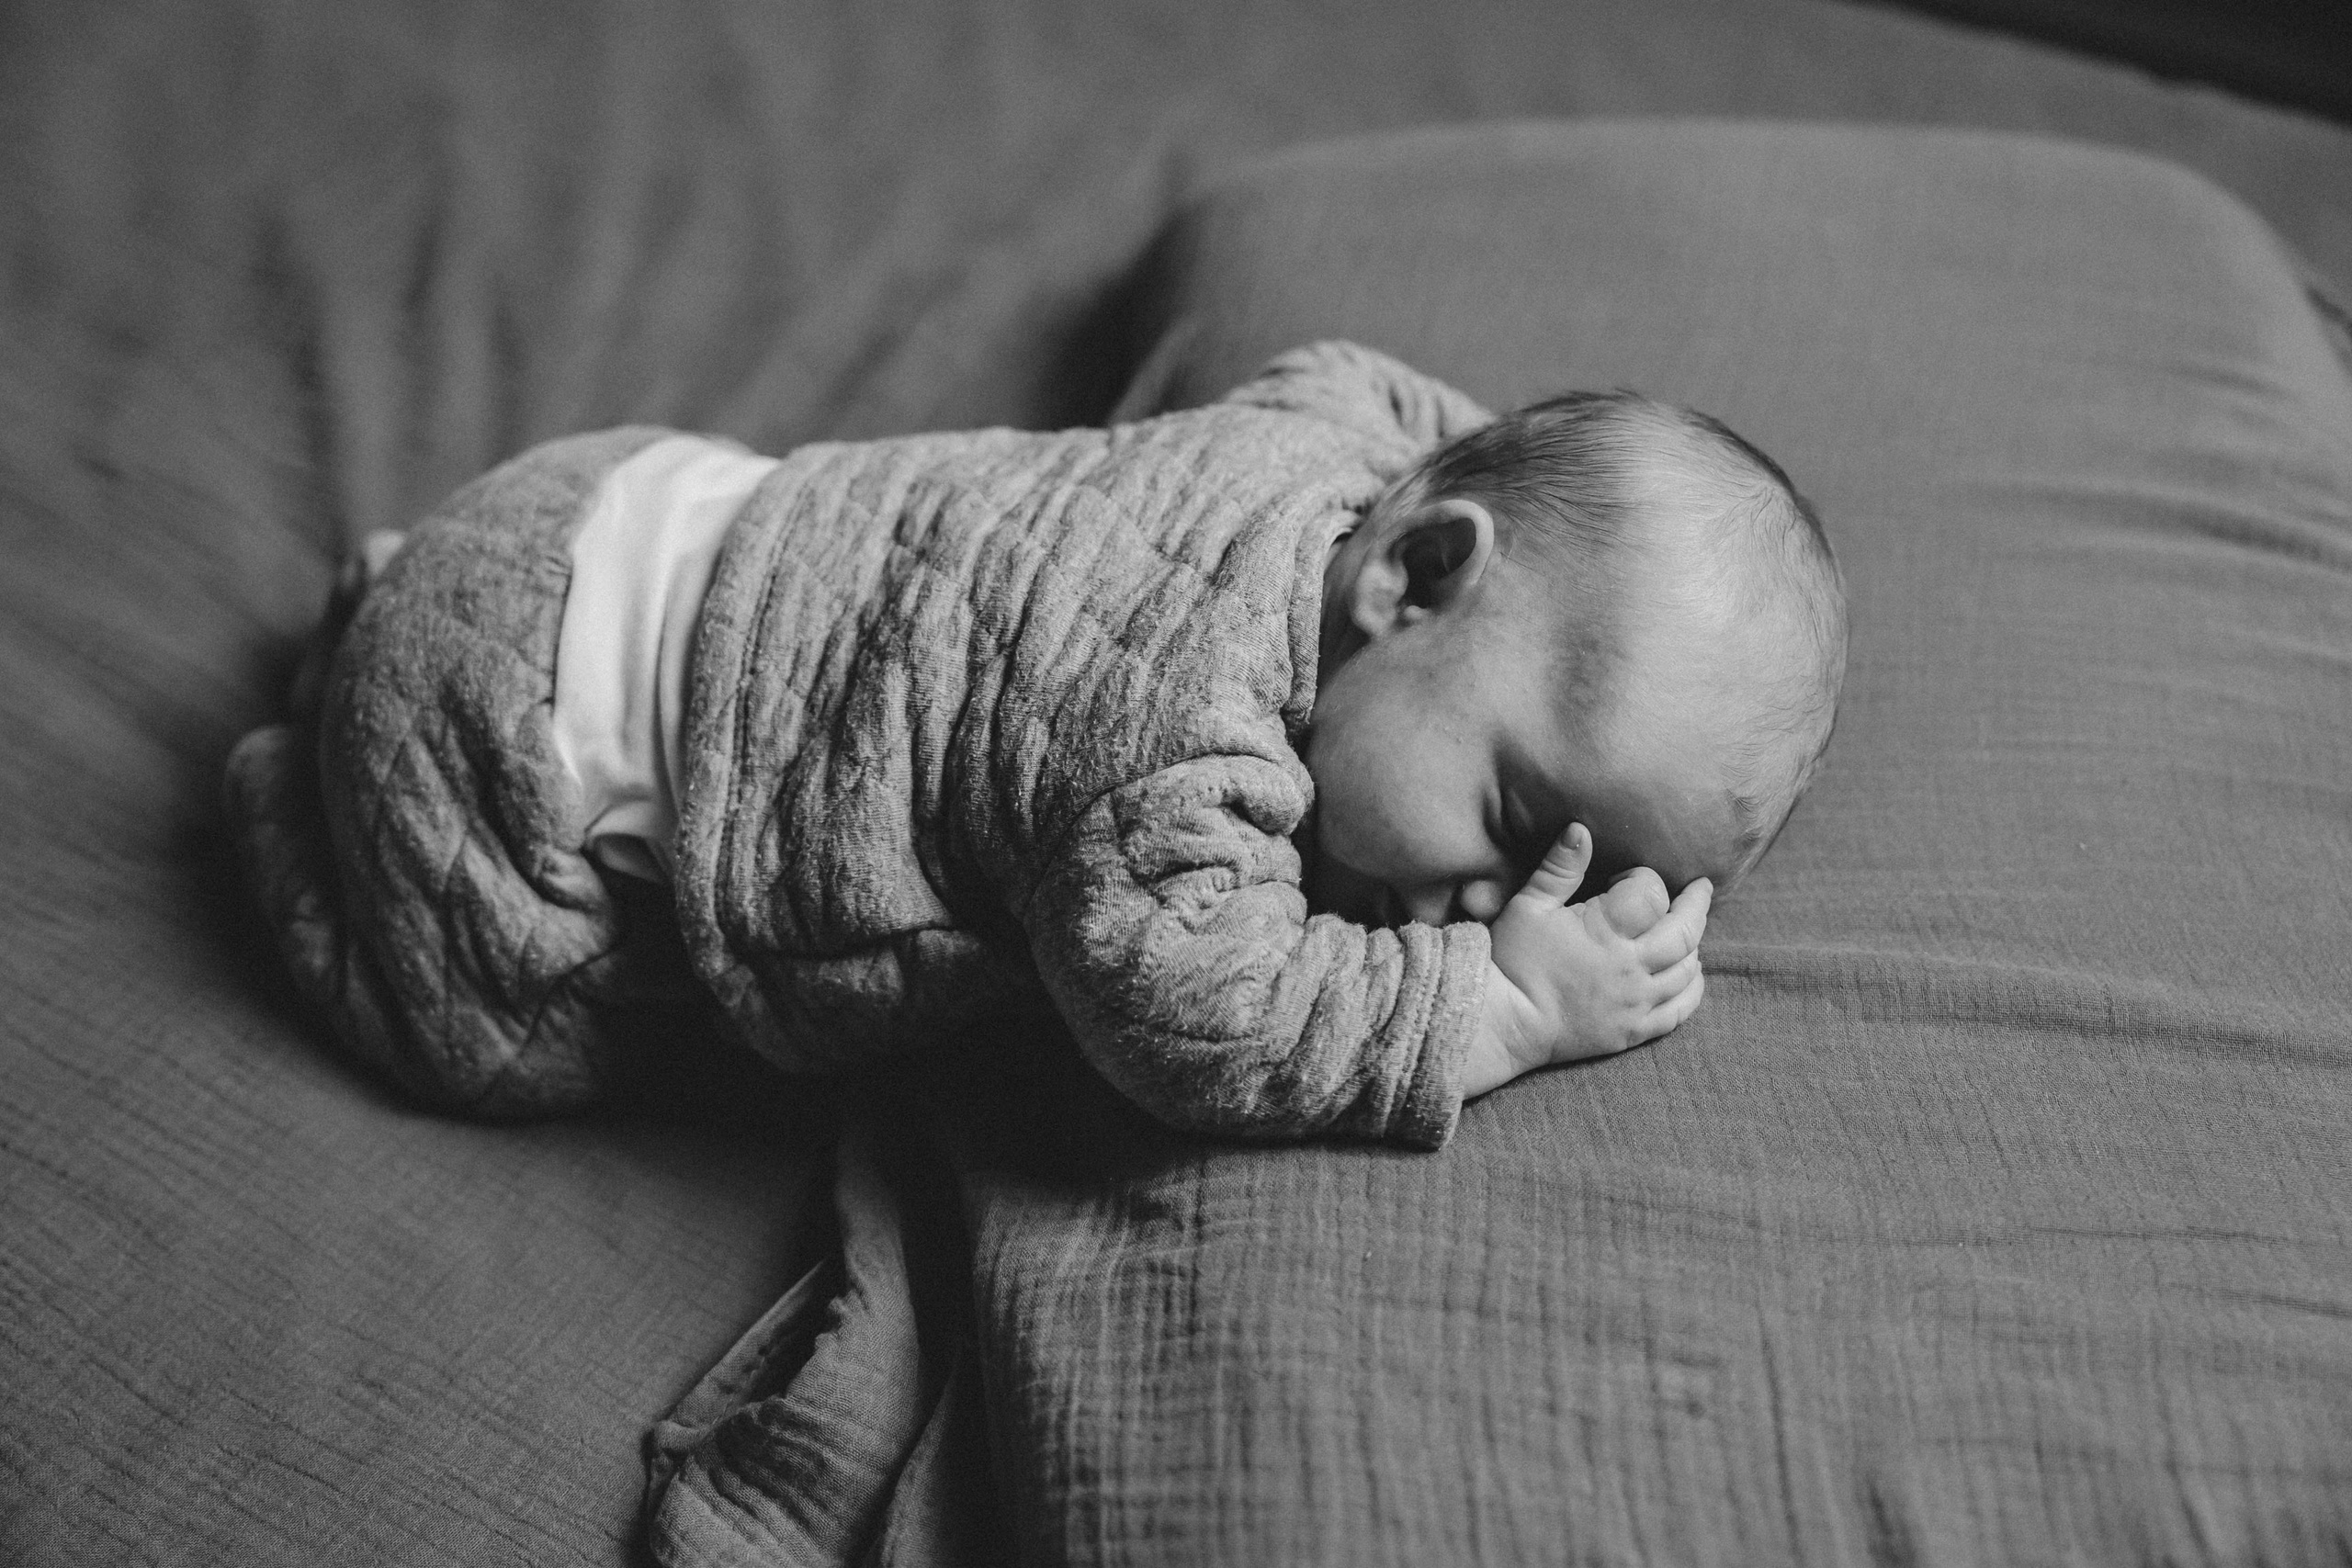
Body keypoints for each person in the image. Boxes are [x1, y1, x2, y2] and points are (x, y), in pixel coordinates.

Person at [224, 341, 1844, 1148]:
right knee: (494, 1038)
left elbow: (1360, 370)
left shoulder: (1326, 447)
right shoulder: (1168, 759)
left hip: (620, 504)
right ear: (1415, 578)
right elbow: (1195, 1015)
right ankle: (296, 776)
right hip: (506, 750)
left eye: (1563, 868)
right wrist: (1494, 1006)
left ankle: (392, 594)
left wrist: (1547, 487)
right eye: (1509, 816)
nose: (1499, 893)